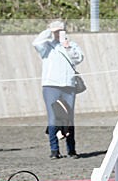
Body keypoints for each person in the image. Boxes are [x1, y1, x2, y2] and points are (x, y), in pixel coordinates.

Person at [33, 20, 84, 159]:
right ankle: (54, 150)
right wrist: (50, 31)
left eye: (61, 30)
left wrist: (67, 47)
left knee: (68, 118)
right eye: (56, 31)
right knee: (53, 118)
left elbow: (78, 58)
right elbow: (36, 43)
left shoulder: (71, 45)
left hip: (69, 86)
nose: (58, 33)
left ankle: (71, 149)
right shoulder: (47, 46)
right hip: (51, 86)